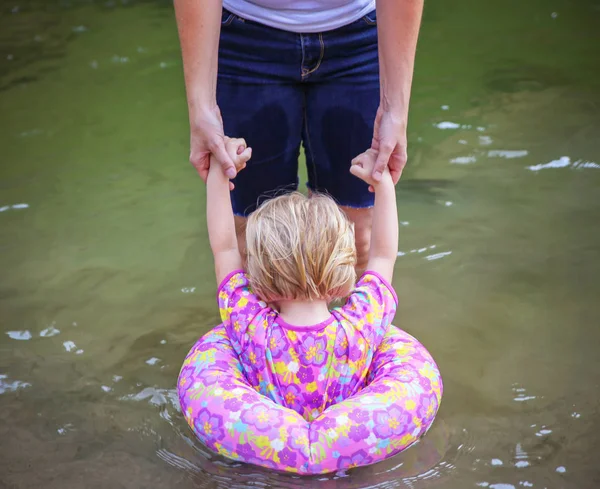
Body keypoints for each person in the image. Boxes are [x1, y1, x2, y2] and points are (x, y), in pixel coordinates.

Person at [174, 0, 423, 270]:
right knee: (253, 243)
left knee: (357, 240)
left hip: (359, 32)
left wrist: (394, 110)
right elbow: (384, 258)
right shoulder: (372, 310)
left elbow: (224, 250)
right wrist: (201, 109)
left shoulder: (240, 310)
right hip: (244, 35)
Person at [207, 136, 400, 421]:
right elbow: (383, 255)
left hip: (264, 455)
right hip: (350, 454)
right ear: (341, 265)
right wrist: (383, 184)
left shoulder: (249, 323)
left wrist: (218, 173)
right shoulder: (362, 323)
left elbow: (224, 248)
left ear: (259, 272)